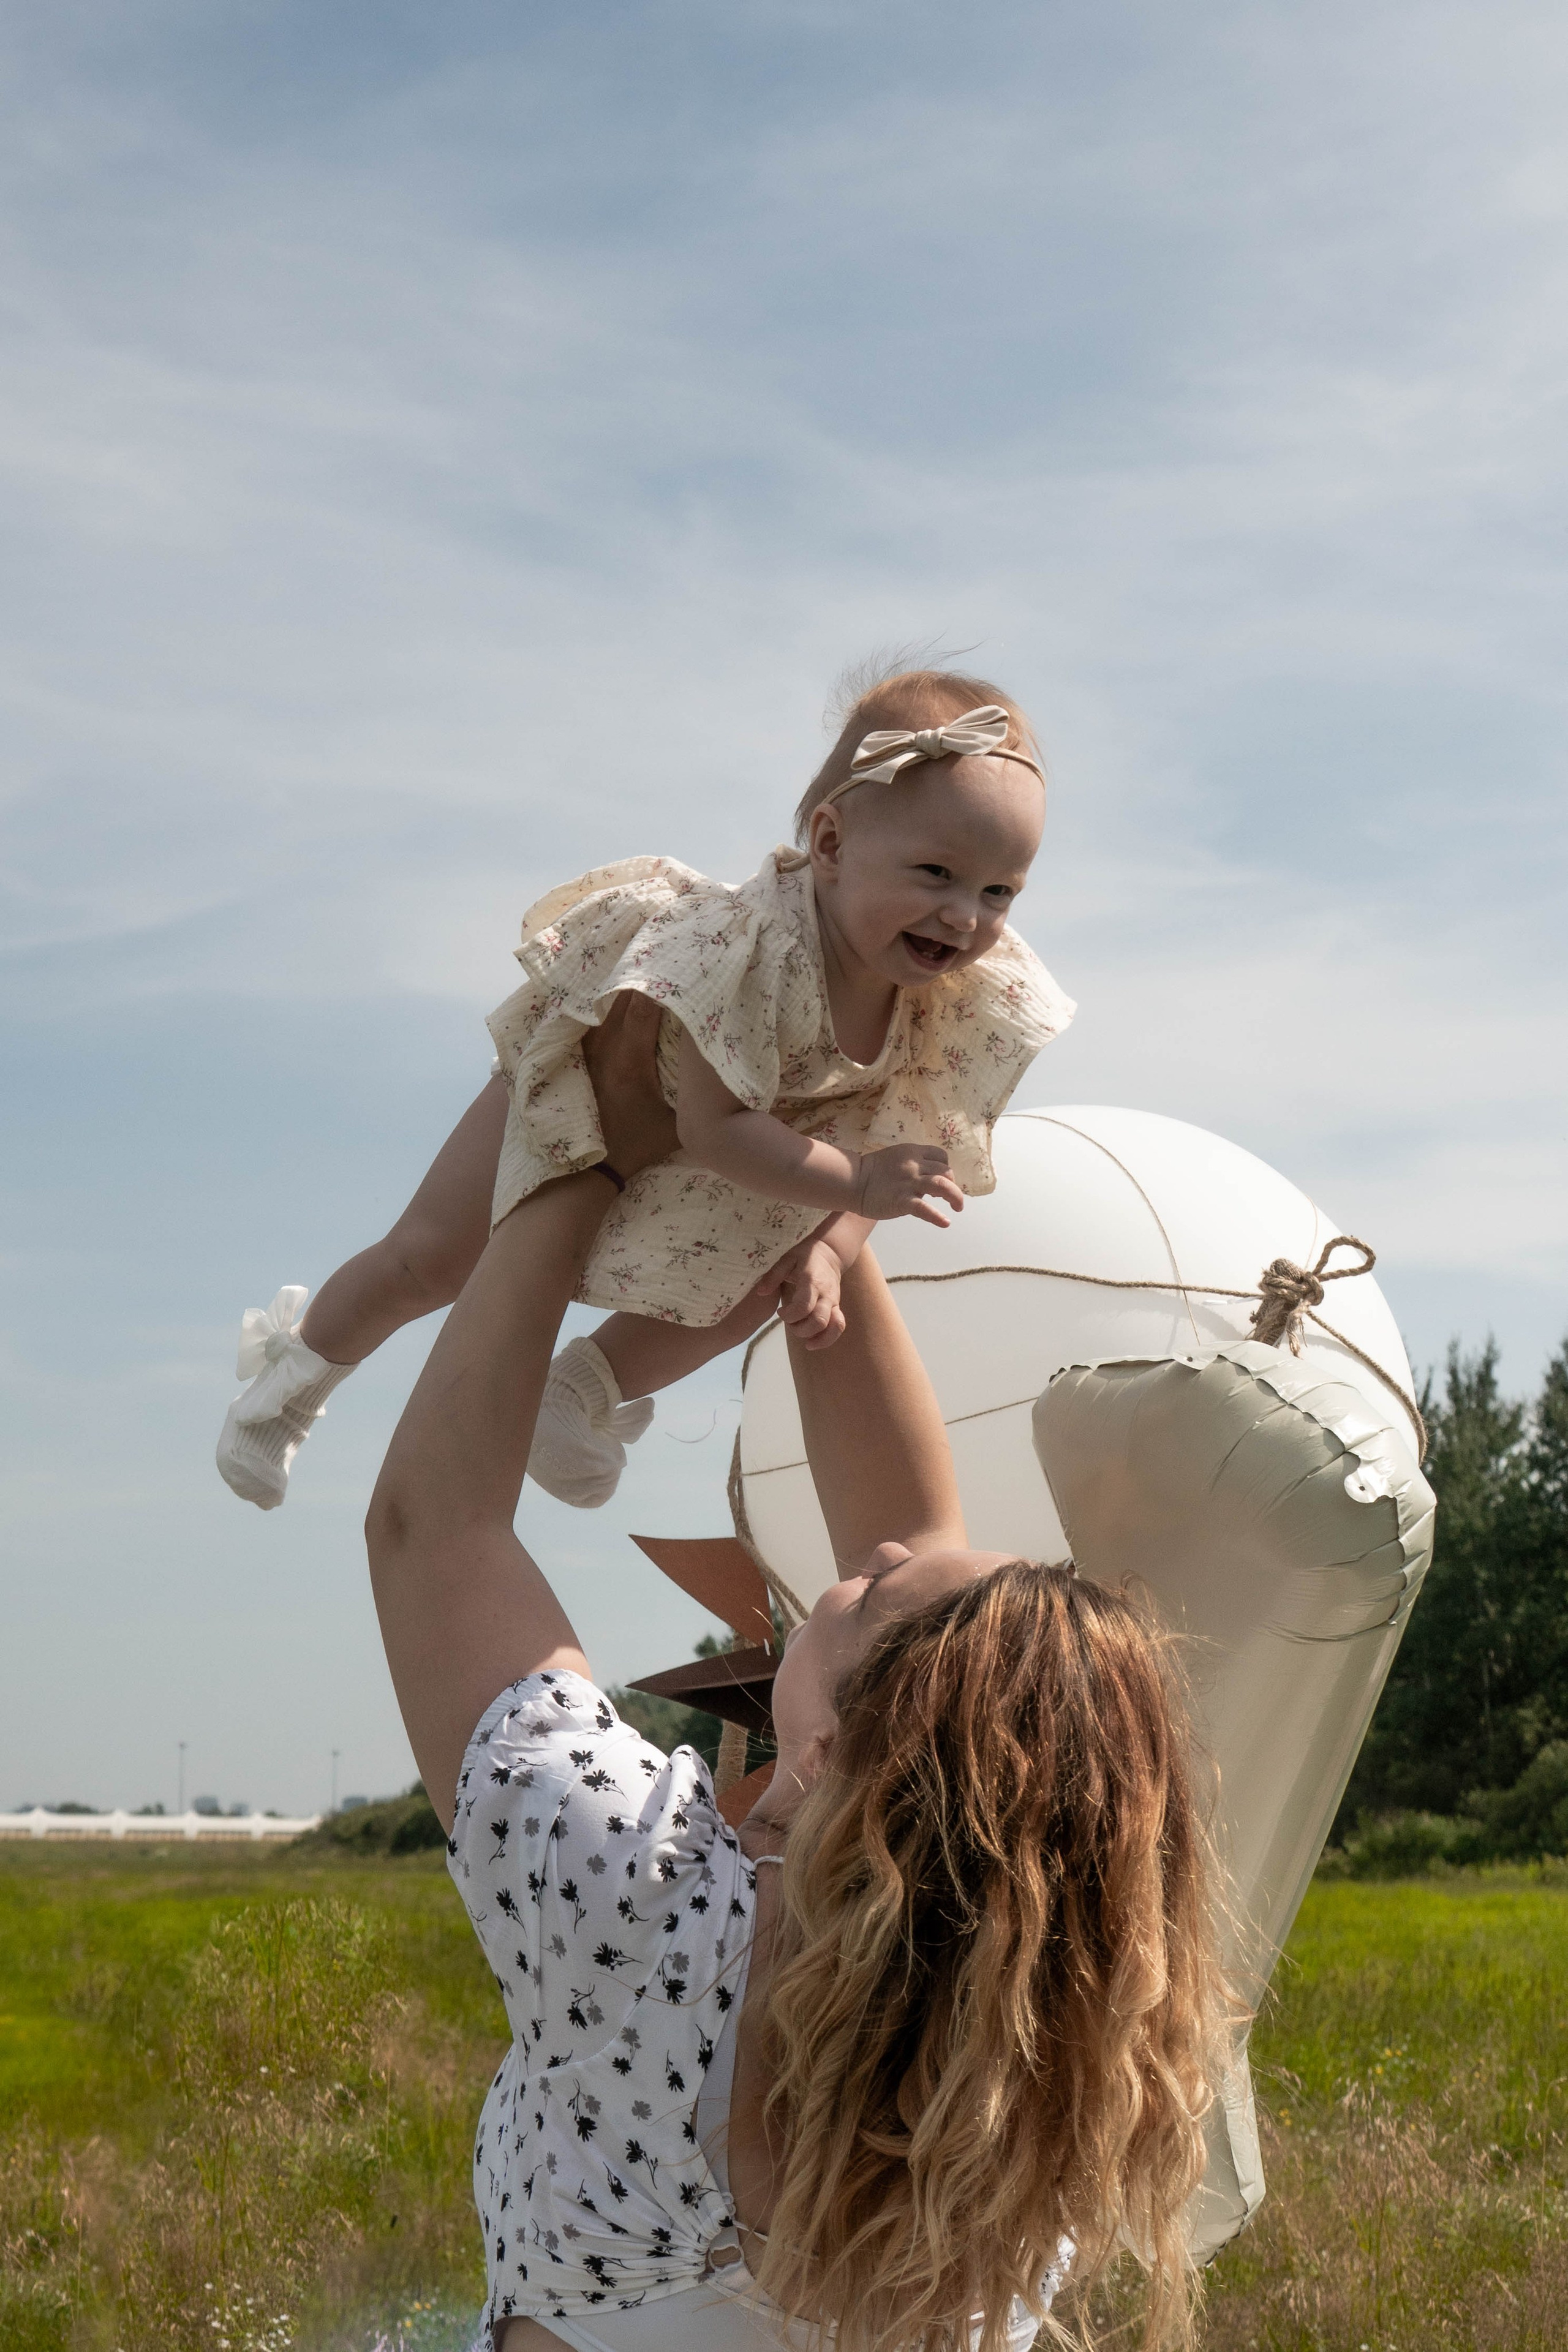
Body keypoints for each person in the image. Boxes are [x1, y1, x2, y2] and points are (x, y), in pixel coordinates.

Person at [365, 997, 1229, 2352]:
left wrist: (578, 1156)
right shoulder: (1040, 2092)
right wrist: (825, 1218)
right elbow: (927, 1582)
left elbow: (436, 1528)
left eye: (871, 1588)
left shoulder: (637, 1903)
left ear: (830, 1749)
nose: (879, 1550)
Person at [217, 667, 1074, 1512]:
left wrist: (835, 1242)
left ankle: (580, 1393)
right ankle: (296, 1375)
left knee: (778, 1274)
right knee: (431, 1257)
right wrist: (853, 1184)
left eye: (998, 890)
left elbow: (894, 1138)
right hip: (599, 1092)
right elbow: (717, 1125)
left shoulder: (945, 1001)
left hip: (743, 1147)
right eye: (936, 873)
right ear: (831, 845)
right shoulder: (758, 949)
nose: (965, 916)